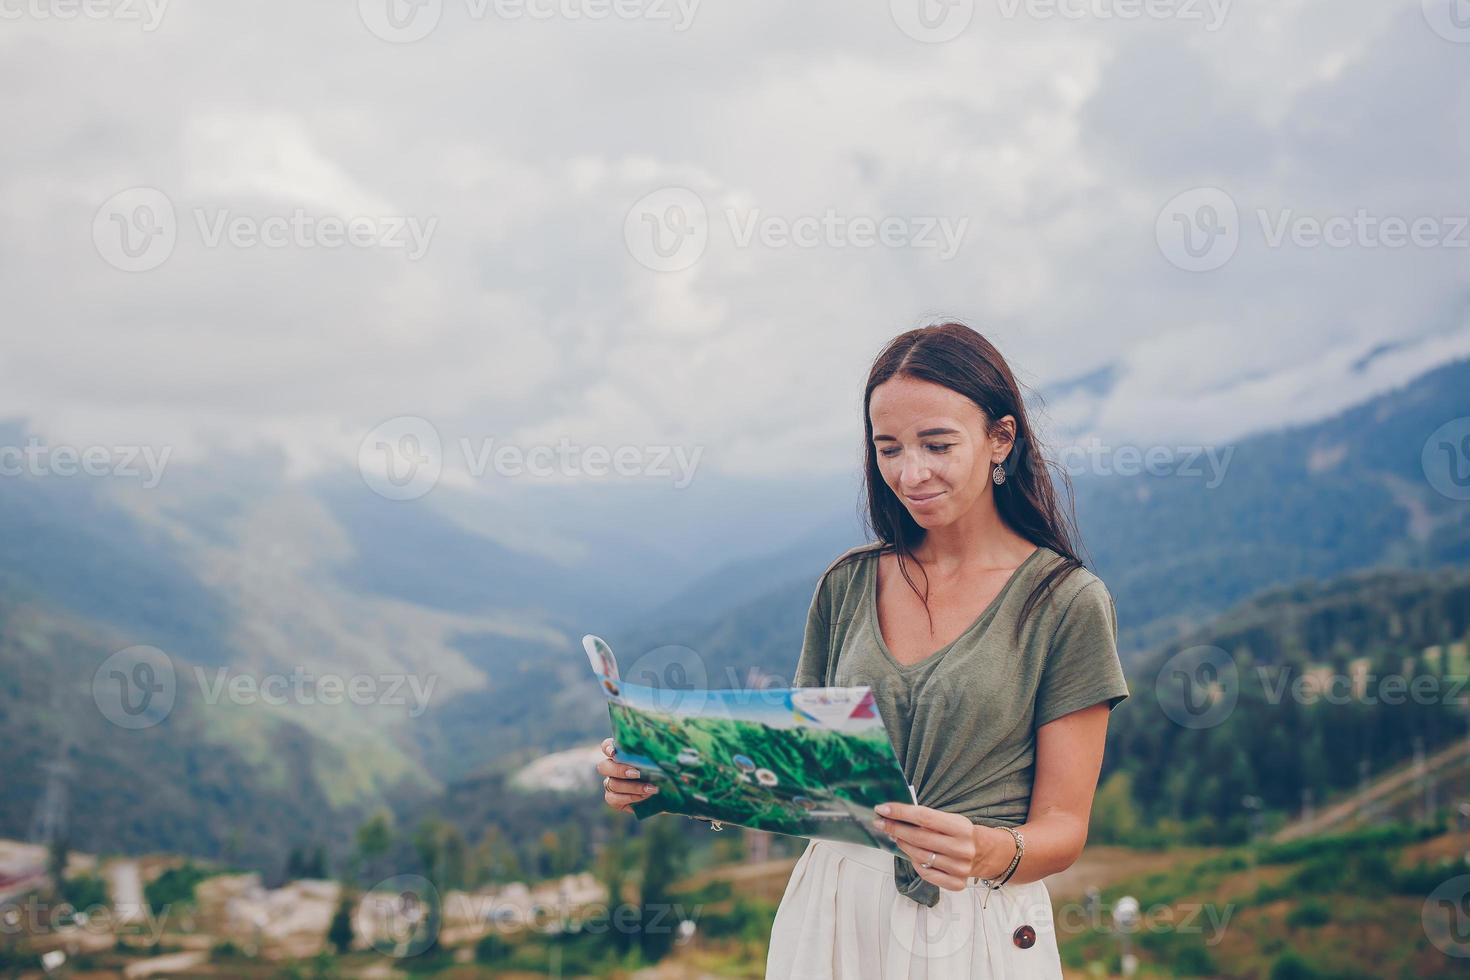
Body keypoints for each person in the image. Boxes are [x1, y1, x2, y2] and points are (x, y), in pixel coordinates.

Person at [599, 321, 1130, 978]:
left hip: (979, 923)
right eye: (888, 448)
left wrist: (985, 850)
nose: (911, 473)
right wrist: (669, 772)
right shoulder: (847, 586)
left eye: (937, 445)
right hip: (834, 910)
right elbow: (798, 779)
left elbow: (1063, 829)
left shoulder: (1066, 602)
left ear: (1001, 439)